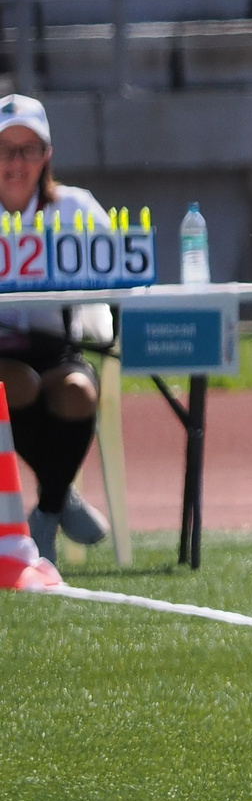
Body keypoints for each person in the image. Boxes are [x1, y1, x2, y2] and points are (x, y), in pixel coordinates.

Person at [0, 94, 115, 562]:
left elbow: (118, 273)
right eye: (6, 149)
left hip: (59, 347)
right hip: (3, 354)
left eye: (28, 149)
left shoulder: (76, 208)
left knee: (77, 392)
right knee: (16, 384)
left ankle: (46, 510)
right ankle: (60, 493)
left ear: (46, 155)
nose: (16, 162)